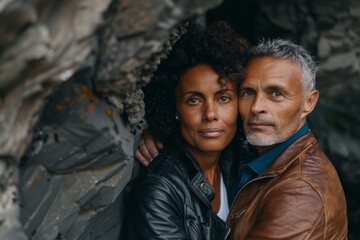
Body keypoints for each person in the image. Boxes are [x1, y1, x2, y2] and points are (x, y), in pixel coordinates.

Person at [136, 39, 348, 239]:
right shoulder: (241, 152)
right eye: (248, 92)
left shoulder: (301, 193)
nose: (256, 107)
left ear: (309, 102)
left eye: (276, 94)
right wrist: (158, 130)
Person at [123, 21, 249, 239]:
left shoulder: (240, 156)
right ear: (175, 109)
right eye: (193, 100)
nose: (210, 113)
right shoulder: (158, 191)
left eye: (224, 98)